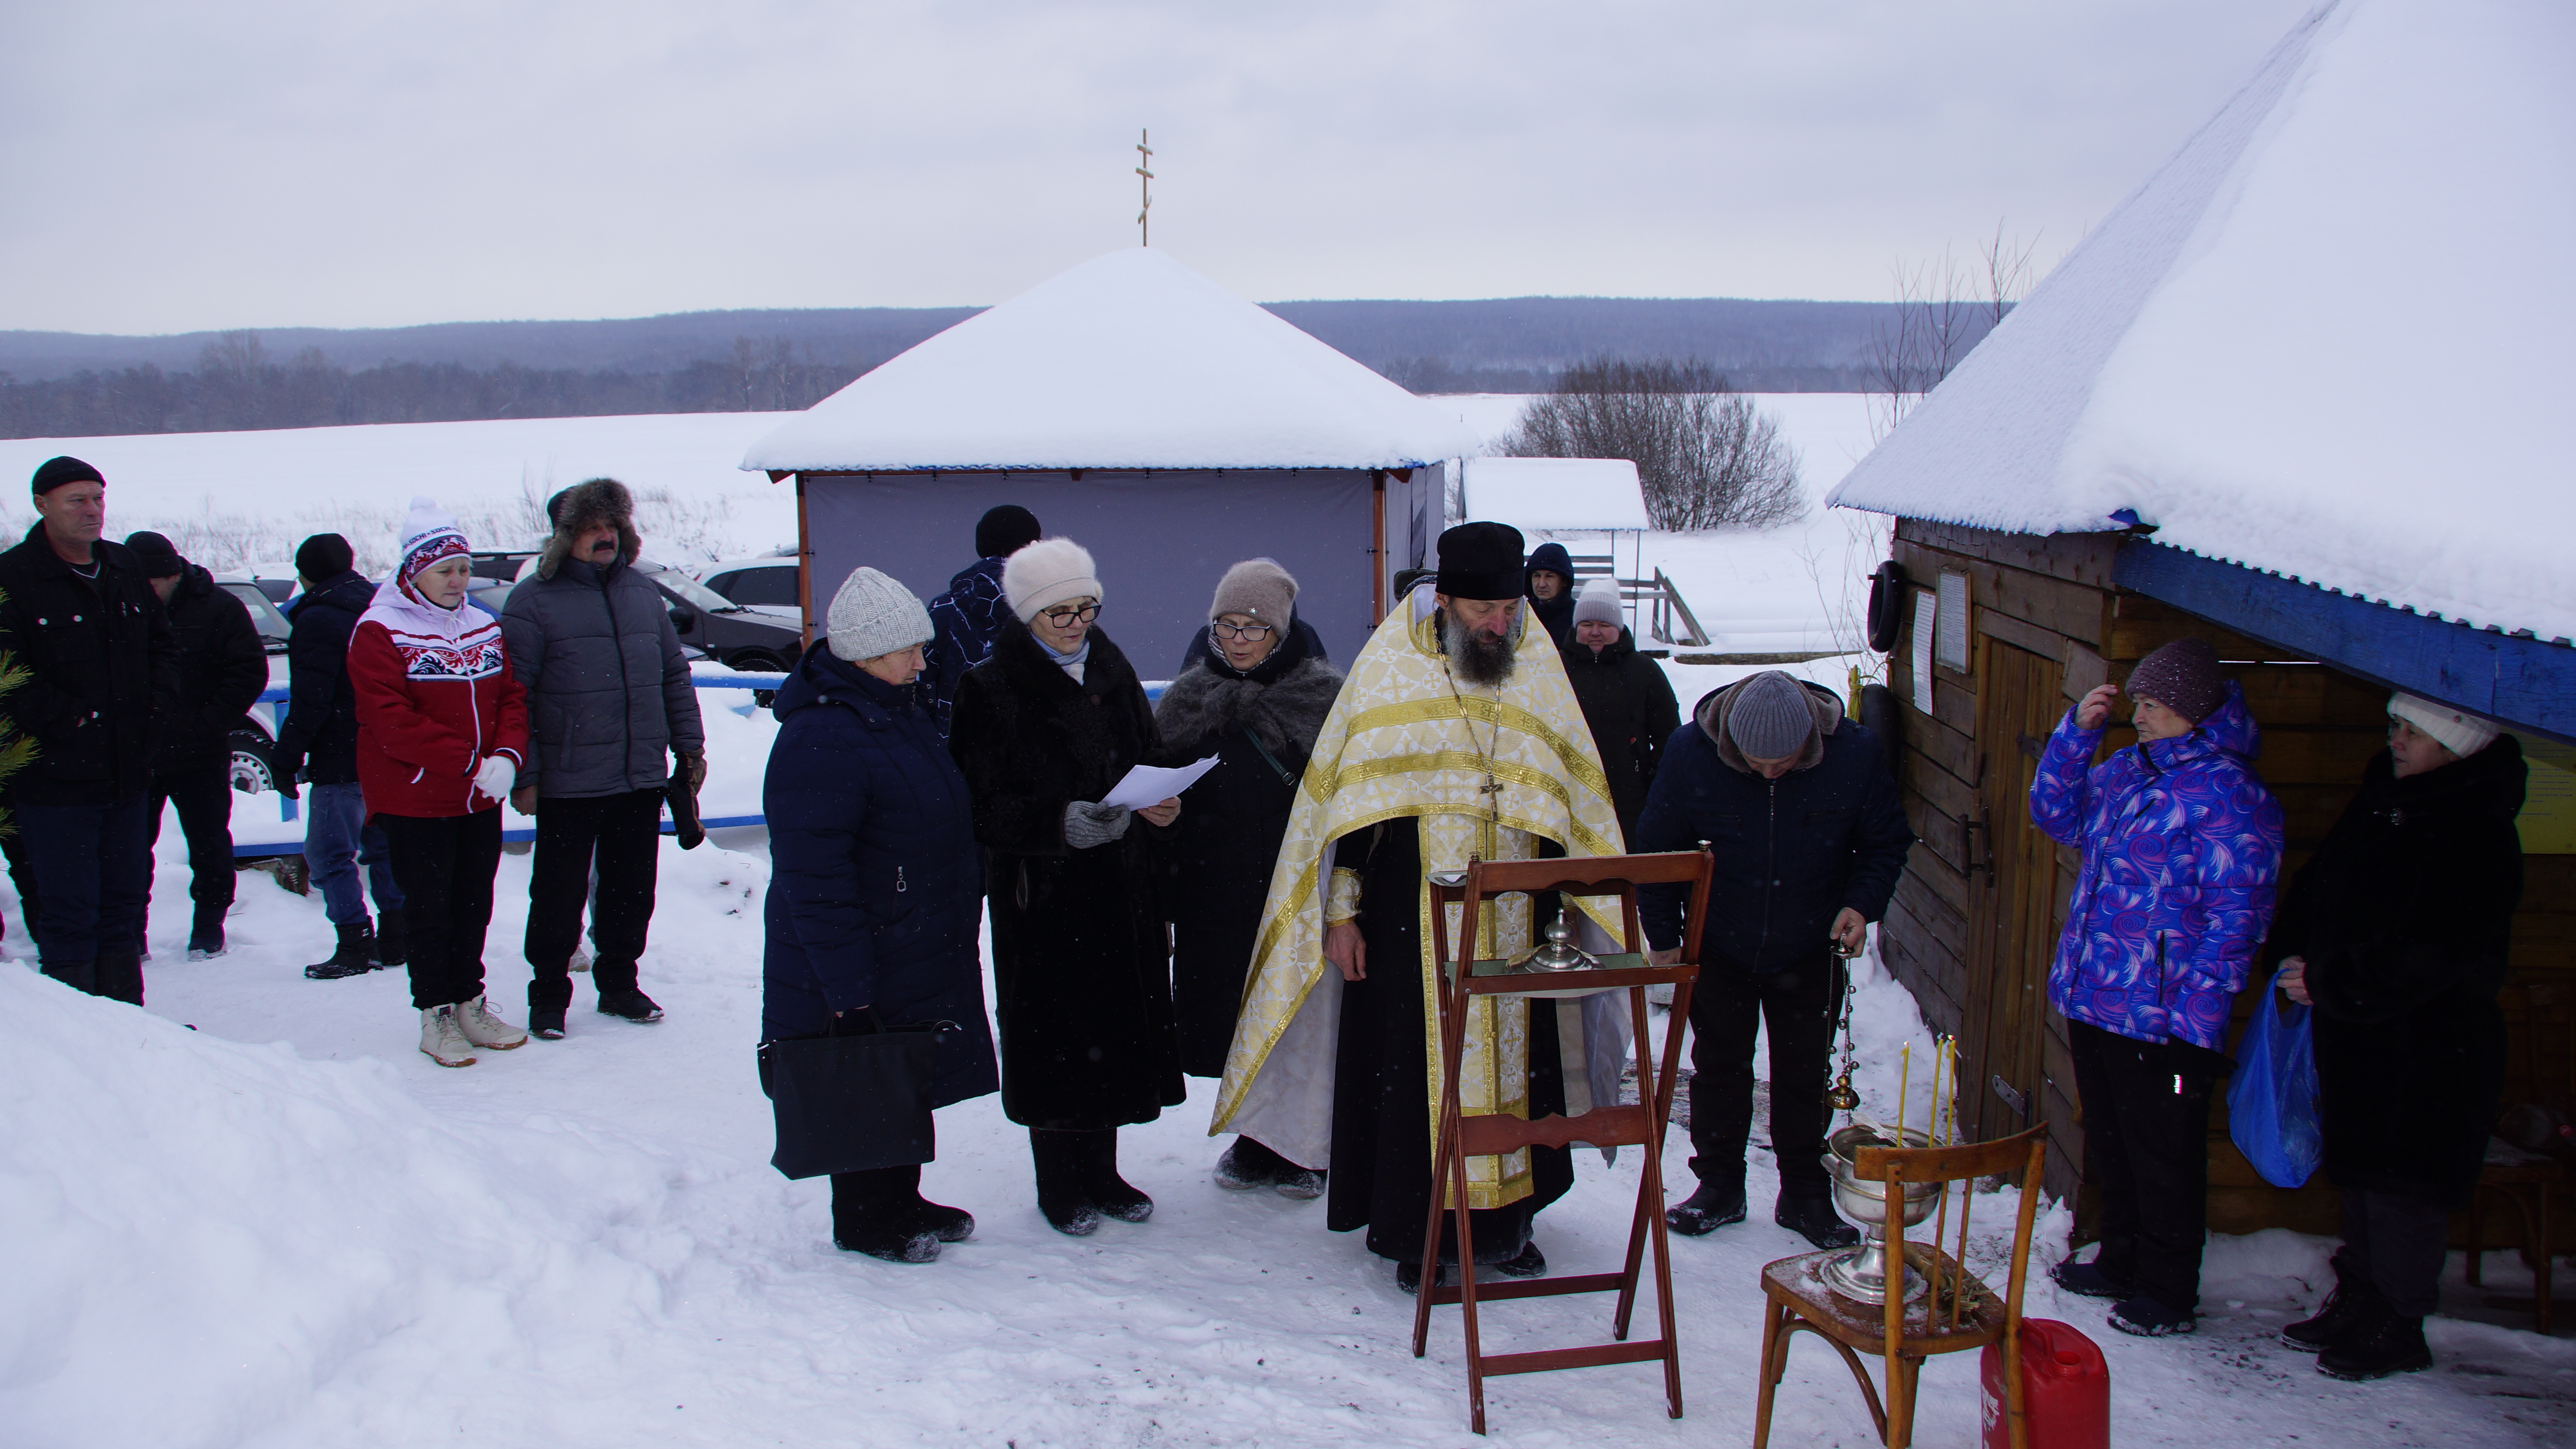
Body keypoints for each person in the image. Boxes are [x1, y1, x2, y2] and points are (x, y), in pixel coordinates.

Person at [1214, 522, 1629, 1292]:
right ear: (1443, 600)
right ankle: (1421, 1232)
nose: (1499, 625)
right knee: (1414, 1075)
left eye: (1509, 608)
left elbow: (1577, 798)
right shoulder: (1390, 671)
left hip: (1518, 922)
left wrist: (1577, 900)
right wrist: (1339, 914)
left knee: (1519, 1070)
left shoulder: (1537, 666)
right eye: (1484, 610)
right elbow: (1349, 817)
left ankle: (1506, 1226)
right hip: (1411, 923)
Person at [2029, 637, 2283, 1337]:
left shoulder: (2234, 797)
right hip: (2098, 996)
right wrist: (2076, 736)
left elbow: (2237, 922)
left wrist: (2193, 1024)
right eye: (2139, 701)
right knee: (2113, 1144)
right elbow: (2057, 815)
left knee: (2165, 1155)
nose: (2140, 715)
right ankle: (2121, 1258)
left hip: (2166, 1019)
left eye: (2155, 704)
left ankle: (2168, 1292)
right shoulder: (2125, 774)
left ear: (2196, 712)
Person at [2266, 694, 2524, 1380]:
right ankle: (2361, 1295)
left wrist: (2334, 978)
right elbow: (2321, 887)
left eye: (2414, 733)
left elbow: (2438, 950)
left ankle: (2400, 1320)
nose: (2398, 741)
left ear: (2455, 746)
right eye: (2396, 727)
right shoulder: (2383, 800)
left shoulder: (2477, 832)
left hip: (2431, 1049)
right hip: (2357, 1034)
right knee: (2358, 1176)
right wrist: (2295, 956)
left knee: (2402, 1188)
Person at [762, 567, 1000, 1264]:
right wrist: (847, 986)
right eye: (910, 650)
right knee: (862, 1076)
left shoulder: (895, 713)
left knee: (898, 1072)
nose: (923, 663)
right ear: (866, 651)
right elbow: (815, 880)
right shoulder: (821, 739)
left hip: (907, 937)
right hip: (858, 951)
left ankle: (902, 1196)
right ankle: (865, 1218)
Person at [947, 536, 1184, 1236]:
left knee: (1111, 1035)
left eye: (1087, 607)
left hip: (1119, 891)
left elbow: (1150, 752)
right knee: (1055, 1040)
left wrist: (1163, 801)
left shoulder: (1111, 667)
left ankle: (1103, 1172)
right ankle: (1060, 1182)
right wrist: (1058, 822)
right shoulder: (987, 687)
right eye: (1060, 613)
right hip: (1043, 898)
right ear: (1026, 615)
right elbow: (977, 802)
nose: (1078, 622)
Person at [1635, 670, 1912, 1249]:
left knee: (1803, 1072)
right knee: (1719, 1066)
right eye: (1755, 764)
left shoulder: (1853, 755)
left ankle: (1805, 1194)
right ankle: (1719, 1186)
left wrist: (1861, 906)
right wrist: (1664, 936)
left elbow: (1885, 840)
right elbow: (1658, 849)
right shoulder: (1692, 754)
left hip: (1811, 943)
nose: (1768, 773)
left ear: (1808, 743)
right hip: (1720, 940)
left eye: (1782, 764)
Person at [1150, 559, 1344, 1198]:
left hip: (1291, 892)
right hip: (1213, 891)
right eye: (1225, 626)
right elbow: (1161, 784)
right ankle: (1256, 1140)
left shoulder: (1323, 701)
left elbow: (1347, 799)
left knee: (1296, 1018)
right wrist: (1163, 814)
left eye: (1254, 628)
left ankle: (1306, 1146)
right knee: (1238, 1020)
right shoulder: (1188, 700)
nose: (1237, 639)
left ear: (1282, 634)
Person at [500, 479, 705, 1038]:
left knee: (631, 890)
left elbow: (673, 675)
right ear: (564, 537)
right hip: (568, 780)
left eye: (612, 526)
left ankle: (619, 984)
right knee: (558, 895)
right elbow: (514, 693)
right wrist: (528, 772)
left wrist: (689, 749)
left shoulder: (641, 594)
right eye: (591, 527)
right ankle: (548, 996)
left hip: (638, 776)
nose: (605, 536)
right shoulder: (533, 602)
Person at [349, 498, 531, 1068]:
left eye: (463, 568)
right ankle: (436, 1013)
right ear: (413, 571)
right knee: (429, 908)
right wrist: (467, 761)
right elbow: (390, 718)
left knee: (473, 904)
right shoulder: (380, 630)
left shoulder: (482, 623)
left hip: (478, 796)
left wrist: (506, 755)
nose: (458, 580)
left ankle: (470, 1001)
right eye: (445, 570)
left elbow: (510, 697)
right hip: (417, 797)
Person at [0, 456, 177, 1003]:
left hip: (126, 774)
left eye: (98, 499)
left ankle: (130, 1024)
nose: (93, 511)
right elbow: (10, 673)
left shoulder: (122, 566)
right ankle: (83, 1040)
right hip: (55, 782)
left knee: (124, 904)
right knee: (69, 911)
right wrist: (74, 720)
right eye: (77, 500)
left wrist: (154, 707)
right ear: (42, 504)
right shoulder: (14, 578)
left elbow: (162, 646)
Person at [125, 531, 265, 961]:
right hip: (137, 753)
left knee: (208, 844)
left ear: (173, 575)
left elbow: (247, 672)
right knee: (128, 850)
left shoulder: (219, 609)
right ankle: (130, 935)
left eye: (151, 586)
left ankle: (209, 927)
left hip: (200, 752)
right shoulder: (119, 606)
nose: (144, 595)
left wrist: (205, 724)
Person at [273, 532, 407, 979]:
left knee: (329, 852)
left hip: (340, 754)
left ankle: (354, 942)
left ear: (305, 574)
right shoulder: (378, 606)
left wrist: (287, 756)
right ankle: (395, 935)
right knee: (383, 846)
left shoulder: (317, 619)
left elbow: (311, 699)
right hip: (384, 749)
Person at [1558, 577, 1678, 840]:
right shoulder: (1555, 668)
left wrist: (1653, 785)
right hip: (1566, 799)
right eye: (1587, 624)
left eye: (1605, 624)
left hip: (1628, 800)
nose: (1595, 632)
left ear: (1620, 627)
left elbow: (1668, 735)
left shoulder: (1645, 671)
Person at [921, 504, 1042, 738]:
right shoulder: (1056, 608)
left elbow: (922, 685)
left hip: (959, 752)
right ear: (1033, 547)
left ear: (982, 544)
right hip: (1037, 753)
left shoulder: (944, 610)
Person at [1524, 541, 1577, 649]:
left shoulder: (1577, 616)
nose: (1542, 584)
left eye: (1550, 577)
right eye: (1537, 576)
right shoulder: (1520, 614)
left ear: (1565, 581)